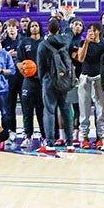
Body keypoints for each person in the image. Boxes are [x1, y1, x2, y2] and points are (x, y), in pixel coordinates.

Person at [39, 17, 75, 148]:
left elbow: (40, 66)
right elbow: (70, 32)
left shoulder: (43, 44)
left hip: (49, 80)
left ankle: (50, 143)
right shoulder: (65, 41)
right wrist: (67, 19)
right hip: (64, 81)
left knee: (49, 111)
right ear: (59, 29)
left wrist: (42, 79)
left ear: (48, 29)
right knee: (65, 111)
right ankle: (70, 142)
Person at [75, 23, 104, 148]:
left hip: (99, 78)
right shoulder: (83, 43)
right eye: (89, 31)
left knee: (100, 110)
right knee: (84, 109)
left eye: (93, 31)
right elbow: (80, 59)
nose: (91, 33)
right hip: (85, 78)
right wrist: (86, 43)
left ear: (99, 32)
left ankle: (100, 136)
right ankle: (85, 137)